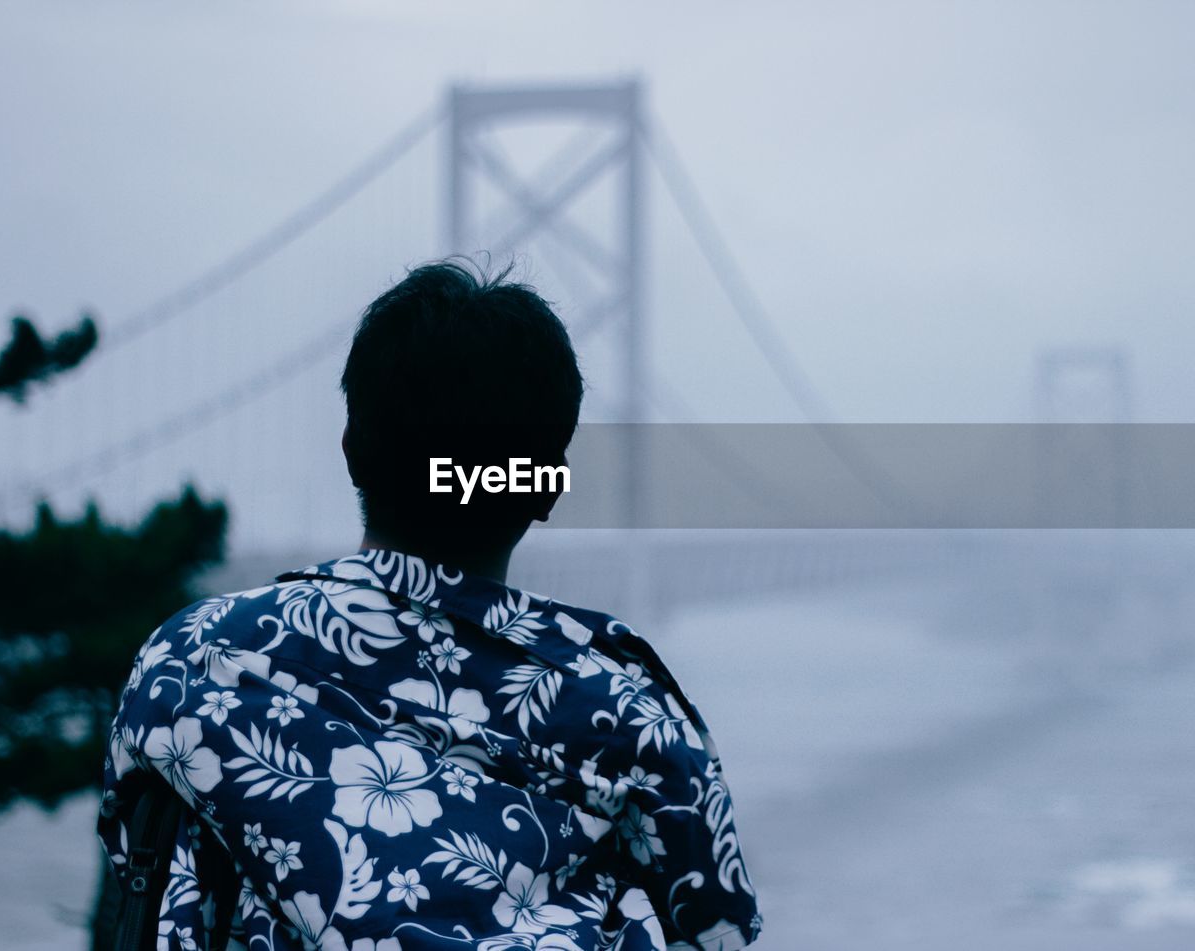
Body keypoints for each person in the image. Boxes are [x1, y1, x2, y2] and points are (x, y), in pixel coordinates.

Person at [99, 261, 761, 950]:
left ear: (353, 452)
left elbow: (134, 850)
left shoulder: (191, 660)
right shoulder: (635, 715)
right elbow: (717, 932)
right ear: (548, 486)